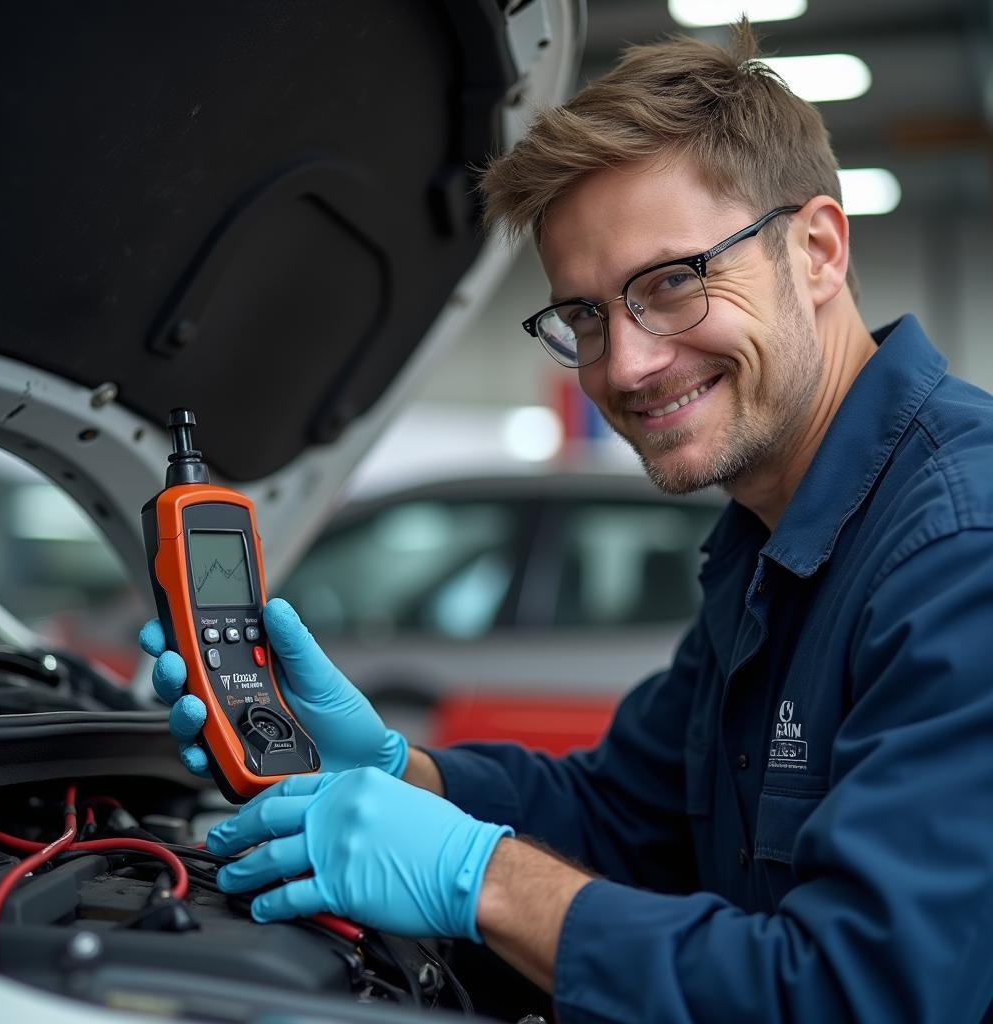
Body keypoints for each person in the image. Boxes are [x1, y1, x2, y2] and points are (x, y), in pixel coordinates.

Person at [140, 21, 993, 1023]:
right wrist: (396, 772)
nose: (623, 367)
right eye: (584, 316)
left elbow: (860, 992)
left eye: (670, 283)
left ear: (814, 250)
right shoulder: (773, 536)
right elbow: (625, 818)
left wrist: (483, 879)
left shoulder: (957, 552)